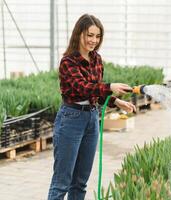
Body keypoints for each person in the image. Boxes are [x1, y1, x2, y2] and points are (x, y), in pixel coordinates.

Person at [48, 14, 136, 200]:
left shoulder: (97, 59)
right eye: (89, 35)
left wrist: (115, 101)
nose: (93, 40)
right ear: (79, 34)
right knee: (61, 183)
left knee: (80, 183)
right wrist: (110, 87)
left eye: (97, 36)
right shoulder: (68, 62)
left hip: (91, 119)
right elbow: (82, 87)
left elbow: (95, 91)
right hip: (71, 120)